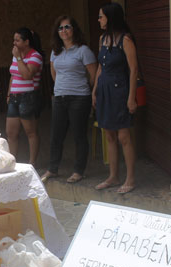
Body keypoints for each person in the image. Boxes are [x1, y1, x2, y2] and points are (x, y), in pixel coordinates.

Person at [41, 16, 97, 184]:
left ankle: (79, 171)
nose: (64, 31)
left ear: (74, 30)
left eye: (67, 27)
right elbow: (53, 73)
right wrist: (61, 87)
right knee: (56, 135)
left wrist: (86, 89)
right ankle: (53, 168)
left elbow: (94, 75)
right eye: (60, 28)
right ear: (57, 32)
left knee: (79, 135)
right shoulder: (55, 51)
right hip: (59, 97)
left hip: (79, 98)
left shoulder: (83, 50)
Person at [92, 3, 138, 193]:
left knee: (123, 136)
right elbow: (100, 67)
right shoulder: (103, 38)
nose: (99, 20)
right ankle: (113, 176)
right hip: (104, 89)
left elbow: (134, 69)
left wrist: (131, 98)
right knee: (109, 135)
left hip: (119, 90)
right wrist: (94, 90)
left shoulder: (125, 39)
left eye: (101, 16)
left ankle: (130, 179)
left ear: (110, 18)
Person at [6, 27, 43, 166]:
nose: (14, 43)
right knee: (11, 132)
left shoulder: (35, 56)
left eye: (17, 40)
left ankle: (32, 162)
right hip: (14, 96)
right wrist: (9, 93)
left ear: (26, 42)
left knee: (31, 132)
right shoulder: (16, 56)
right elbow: (13, 75)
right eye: (14, 40)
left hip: (28, 97)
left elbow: (27, 75)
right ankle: (11, 161)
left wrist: (19, 58)